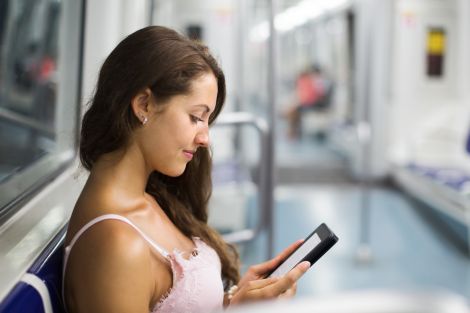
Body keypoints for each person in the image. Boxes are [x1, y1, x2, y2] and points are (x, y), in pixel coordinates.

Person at [62, 26, 310, 313]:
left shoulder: (144, 198)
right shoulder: (116, 247)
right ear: (144, 105)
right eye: (195, 117)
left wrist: (233, 299)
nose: (205, 138)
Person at [284, 65, 330, 139]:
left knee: (295, 110)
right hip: (313, 102)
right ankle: (294, 131)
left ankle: (293, 132)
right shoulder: (316, 81)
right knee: (294, 109)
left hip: (317, 103)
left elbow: (317, 95)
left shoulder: (318, 81)